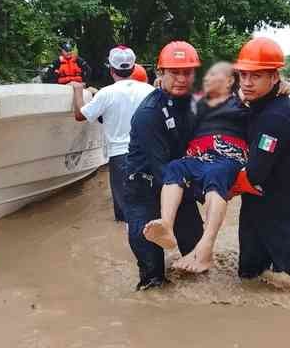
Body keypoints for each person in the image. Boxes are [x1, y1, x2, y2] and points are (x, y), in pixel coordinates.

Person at [143, 62, 261, 274]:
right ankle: (166, 225)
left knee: (216, 176)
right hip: (197, 155)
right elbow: (172, 94)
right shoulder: (196, 102)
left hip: (227, 155)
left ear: (230, 81)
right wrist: (161, 84)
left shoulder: (243, 102)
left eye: (217, 75)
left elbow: (266, 98)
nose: (210, 79)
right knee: (174, 168)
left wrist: (281, 86)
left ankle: (207, 244)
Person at [233, 37, 290, 281]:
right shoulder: (258, 102)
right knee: (249, 276)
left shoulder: (275, 116)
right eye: (243, 75)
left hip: (288, 209)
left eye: (256, 76)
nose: (247, 83)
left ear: (274, 77)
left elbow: (254, 173)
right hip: (258, 202)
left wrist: (220, 190)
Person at [124, 41, 204, 290]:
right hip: (145, 191)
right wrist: (205, 190)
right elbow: (163, 171)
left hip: (179, 185)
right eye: (174, 72)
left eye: (187, 72)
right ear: (161, 73)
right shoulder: (149, 113)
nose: (181, 78)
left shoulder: (195, 103)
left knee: (198, 261)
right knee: (153, 278)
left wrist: (279, 87)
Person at [71, 46, 154, 222]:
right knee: (150, 207)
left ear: (111, 69)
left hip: (120, 158)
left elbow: (80, 115)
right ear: (133, 68)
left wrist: (78, 91)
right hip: (148, 155)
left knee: (126, 215)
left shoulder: (106, 94)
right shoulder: (149, 91)